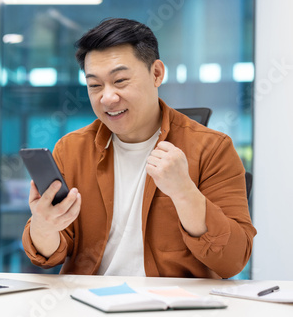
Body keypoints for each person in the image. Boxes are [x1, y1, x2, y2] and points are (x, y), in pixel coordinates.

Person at [21, 18, 257, 279]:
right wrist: (44, 226)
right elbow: (49, 255)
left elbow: (233, 260)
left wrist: (184, 192)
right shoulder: (71, 149)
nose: (107, 98)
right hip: (90, 301)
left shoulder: (212, 148)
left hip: (173, 304)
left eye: (120, 80)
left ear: (156, 73)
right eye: (94, 85)